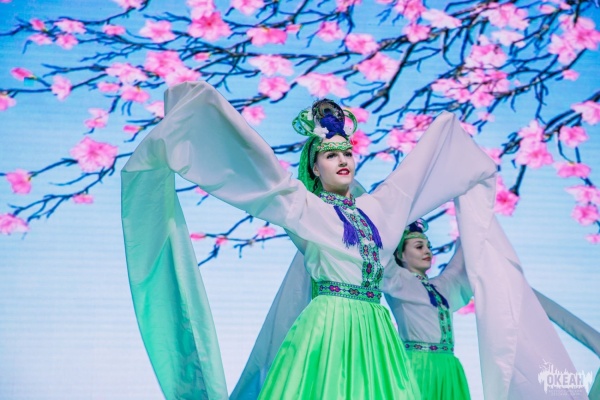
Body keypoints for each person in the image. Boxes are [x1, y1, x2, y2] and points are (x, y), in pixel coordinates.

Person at [120, 81, 515, 399]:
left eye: (347, 153)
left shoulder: (379, 210)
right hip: (329, 325)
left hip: (376, 332)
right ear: (314, 166)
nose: (342, 160)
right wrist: (198, 111)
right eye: (330, 155)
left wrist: (460, 150)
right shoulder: (306, 207)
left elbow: (418, 174)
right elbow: (260, 172)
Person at [383, 221, 471, 400]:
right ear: (400, 254)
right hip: (417, 365)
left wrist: (471, 222)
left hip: (448, 366)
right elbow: (381, 251)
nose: (427, 251)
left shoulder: (442, 285)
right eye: (419, 247)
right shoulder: (398, 280)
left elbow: (460, 265)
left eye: (428, 247)